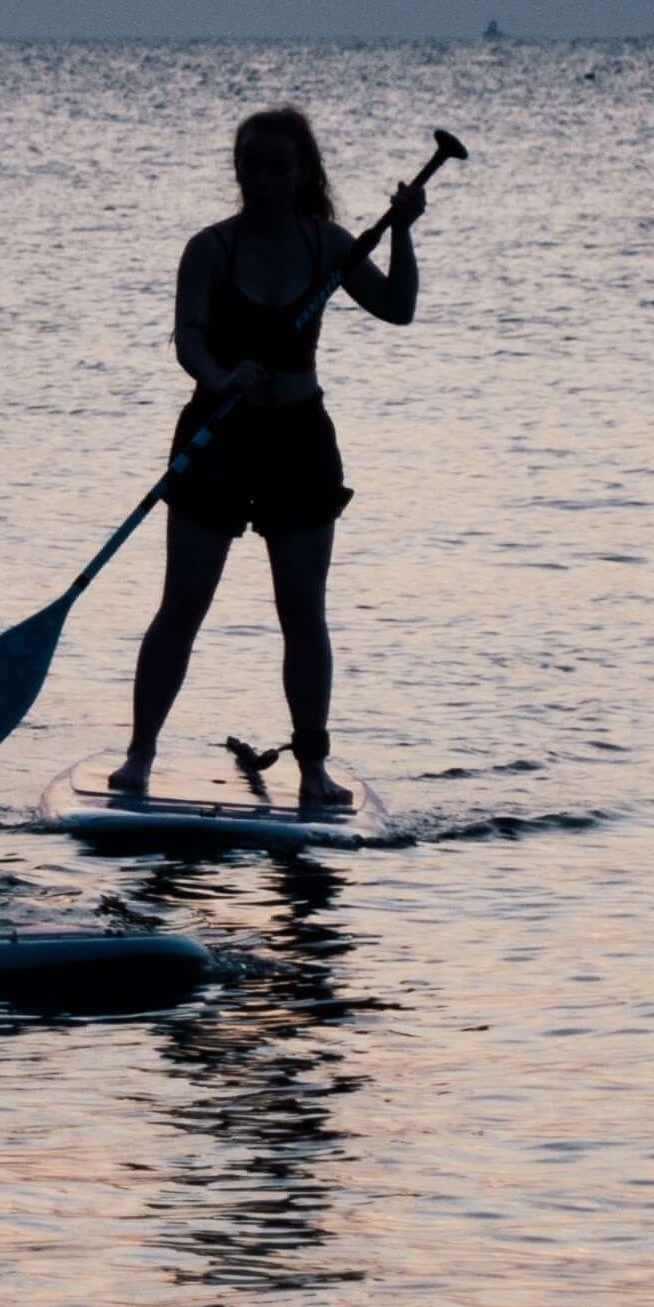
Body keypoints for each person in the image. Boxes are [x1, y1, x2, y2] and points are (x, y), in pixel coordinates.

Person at [105, 107, 423, 812]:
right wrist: (222, 378)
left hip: (298, 441)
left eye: (279, 166)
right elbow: (189, 337)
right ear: (238, 170)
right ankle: (139, 754)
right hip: (216, 438)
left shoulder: (328, 243)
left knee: (302, 611)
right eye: (253, 165)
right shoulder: (209, 249)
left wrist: (402, 230)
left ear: (303, 172)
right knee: (182, 605)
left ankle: (313, 767)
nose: (264, 179)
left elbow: (397, 307)